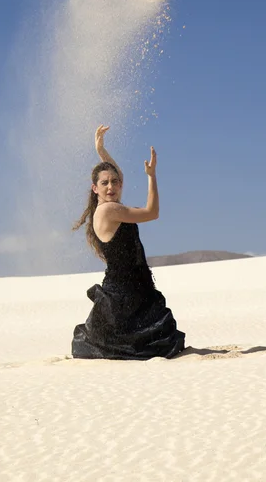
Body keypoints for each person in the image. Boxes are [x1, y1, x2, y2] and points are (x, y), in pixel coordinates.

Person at [71, 125, 185, 360]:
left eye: (115, 181)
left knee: (163, 341)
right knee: (156, 345)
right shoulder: (110, 211)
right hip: (122, 297)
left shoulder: (108, 207)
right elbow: (152, 212)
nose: (111, 186)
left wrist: (101, 151)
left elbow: (116, 175)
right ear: (95, 189)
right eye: (105, 183)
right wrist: (152, 177)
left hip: (135, 289)